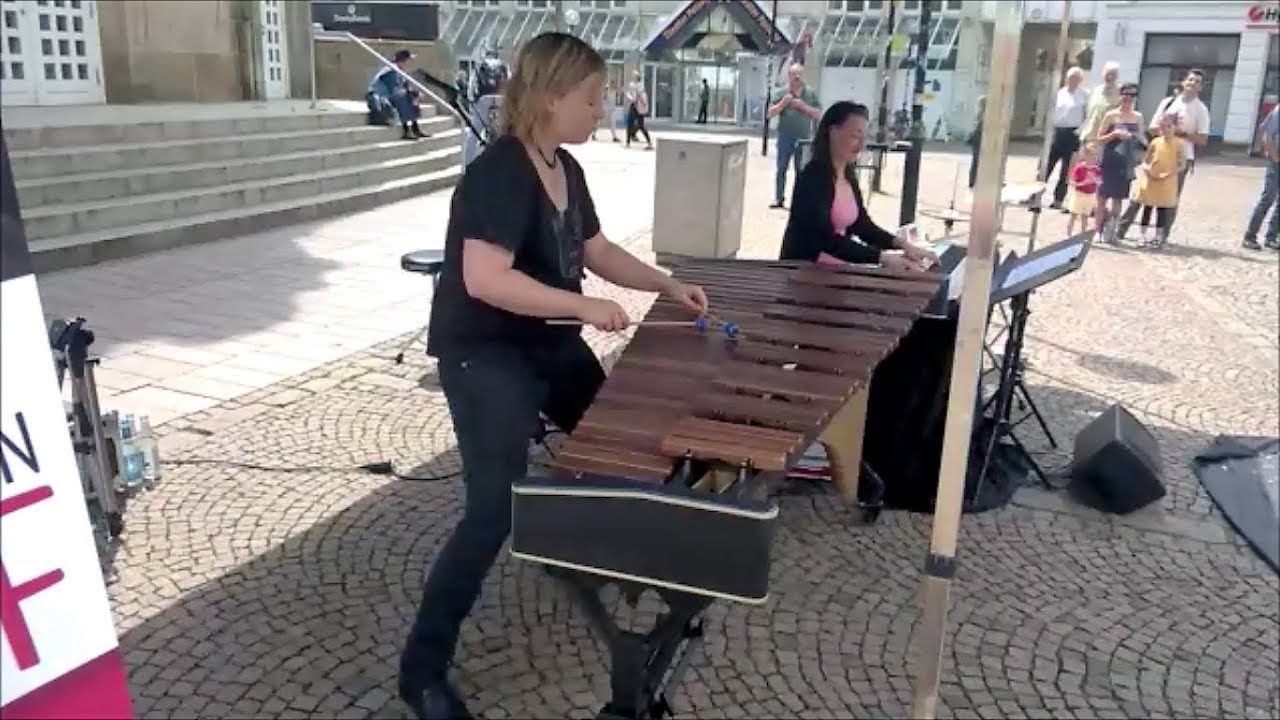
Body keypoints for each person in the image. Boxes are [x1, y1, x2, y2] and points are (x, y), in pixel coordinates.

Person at [397, 32, 708, 720]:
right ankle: (421, 671)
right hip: (486, 354)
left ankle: (616, 572)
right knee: (492, 509)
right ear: (550, 96)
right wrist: (583, 306)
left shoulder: (565, 167)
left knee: (631, 439)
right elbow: (484, 279)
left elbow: (594, 249)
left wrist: (665, 284)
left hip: (548, 347)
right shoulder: (500, 172)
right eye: (592, 98)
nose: (602, 110)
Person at [779, 101, 938, 273]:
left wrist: (904, 245)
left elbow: (862, 225)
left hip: (833, 269)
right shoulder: (813, 177)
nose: (861, 145)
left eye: (864, 137)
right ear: (832, 132)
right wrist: (882, 257)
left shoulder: (847, 173)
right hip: (803, 273)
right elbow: (823, 239)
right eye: (855, 136)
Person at [1117, 68, 1210, 241]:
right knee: (1142, 192)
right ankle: (1121, 229)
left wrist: (1179, 132)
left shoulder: (1201, 109)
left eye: (1197, 82)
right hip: (1158, 152)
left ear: (1201, 87)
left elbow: (1203, 138)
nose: (1192, 83)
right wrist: (1164, 129)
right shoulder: (1169, 102)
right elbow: (1152, 128)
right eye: (1190, 80)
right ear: (1183, 82)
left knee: (1170, 197)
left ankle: (1162, 235)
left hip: (1180, 157)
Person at [1094, 83, 1144, 244]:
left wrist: (1138, 152)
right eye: (1125, 95)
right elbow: (1099, 138)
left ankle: (1112, 232)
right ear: (1120, 96)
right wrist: (1114, 134)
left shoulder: (1138, 117)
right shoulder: (1111, 115)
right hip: (1110, 158)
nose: (1128, 99)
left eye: (1132, 96)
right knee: (1102, 197)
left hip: (1126, 160)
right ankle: (1097, 230)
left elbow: (1141, 140)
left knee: (1118, 199)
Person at [767, 64, 821, 209]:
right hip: (785, 136)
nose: (797, 79)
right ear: (789, 75)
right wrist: (782, 104)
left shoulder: (810, 93)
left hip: (803, 138)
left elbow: (817, 113)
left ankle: (799, 201)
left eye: (799, 75)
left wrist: (803, 106)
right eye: (794, 75)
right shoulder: (780, 92)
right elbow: (770, 113)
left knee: (801, 171)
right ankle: (779, 198)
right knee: (781, 168)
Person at [1128, 114, 1184, 249]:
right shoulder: (1155, 142)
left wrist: (1170, 173)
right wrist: (1147, 169)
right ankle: (1142, 235)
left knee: (1162, 209)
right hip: (1152, 179)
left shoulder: (1179, 144)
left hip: (1167, 181)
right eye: (1163, 127)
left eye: (1169, 126)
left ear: (1175, 127)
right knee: (1147, 207)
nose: (1166, 130)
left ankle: (1158, 237)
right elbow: (1146, 160)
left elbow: (1181, 164)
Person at [1044, 67, 1090, 210]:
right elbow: (1051, 112)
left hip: (1073, 134)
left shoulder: (1084, 95)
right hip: (1057, 132)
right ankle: (1035, 196)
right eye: (1070, 77)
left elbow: (1087, 116)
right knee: (1046, 165)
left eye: (1076, 78)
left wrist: (1080, 132)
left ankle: (1058, 199)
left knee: (1066, 170)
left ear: (1080, 80)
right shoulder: (1060, 93)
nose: (1072, 80)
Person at [1243, 104, 1279, 250]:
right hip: (1277, 161)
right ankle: (1250, 236)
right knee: (1267, 198)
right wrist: (1274, 157)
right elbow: (1267, 134)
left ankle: (1271, 237)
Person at [369, 50, 425, 141]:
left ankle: (415, 128)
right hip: (380, 97)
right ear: (403, 60)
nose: (409, 63)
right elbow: (394, 89)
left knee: (410, 97)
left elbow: (405, 87)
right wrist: (409, 94)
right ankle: (406, 130)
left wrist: (415, 94)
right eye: (408, 60)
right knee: (402, 97)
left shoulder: (399, 70)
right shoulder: (390, 70)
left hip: (390, 95)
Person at [1078, 61, 1120, 148]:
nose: (1110, 77)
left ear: (1117, 76)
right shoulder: (1096, 91)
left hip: (1105, 139)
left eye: (1113, 74)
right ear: (1102, 74)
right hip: (1089, 137)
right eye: (1107, 74)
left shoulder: (1119, 93)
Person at [1066, 142, 1101, 237]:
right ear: (1086, 155)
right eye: (1091, 155)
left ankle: (1082, 235)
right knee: (1073, 215)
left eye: (1096, 155)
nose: (1094, 158)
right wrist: (1083, 182)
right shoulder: (1079, 168)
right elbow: (1072, 182)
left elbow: (1099, 182)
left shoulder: (1097, 169)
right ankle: (1068, 235)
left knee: (1085, 216)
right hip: (1079, 194)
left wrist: (1096, 181)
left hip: (1090, 195)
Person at [624, 72, 652, 150]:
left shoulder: (639, 85)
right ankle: (628, 142)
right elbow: (632, 94)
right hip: (635, 106)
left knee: (640, 125)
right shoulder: (633, 85)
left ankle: (649, 142)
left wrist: (630, 95)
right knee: (630, 124)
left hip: (637, 106)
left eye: (635, 76)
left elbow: (636, 96)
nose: (634, 77)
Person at [968, 95, 986, 190]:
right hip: (979, 140)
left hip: (976, 141)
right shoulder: (984, 116)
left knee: (975, 161)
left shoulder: (980, 114)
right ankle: (973, 181)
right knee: (977, 161)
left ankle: (972, 181)